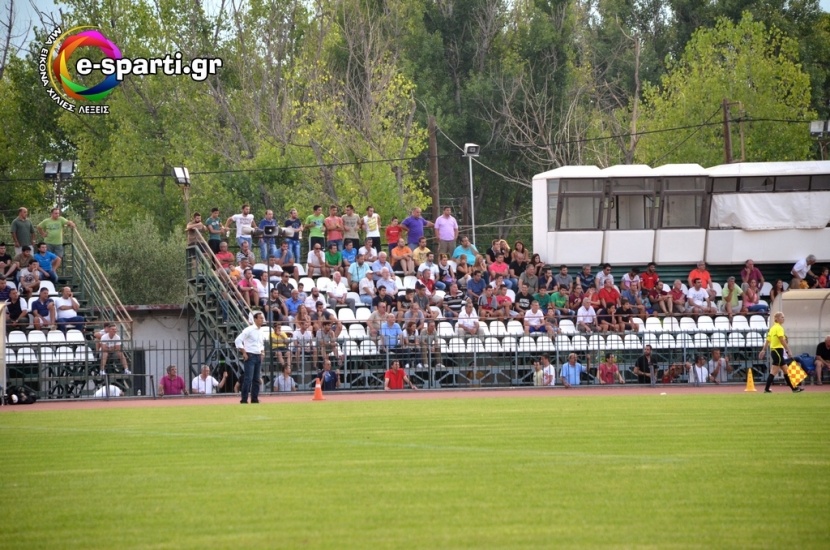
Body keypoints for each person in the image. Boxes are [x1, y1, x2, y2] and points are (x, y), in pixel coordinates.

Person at [759, 311, 802, 393]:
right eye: (782, 317)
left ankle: (794, 388)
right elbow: (782, 340)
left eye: (783, 317)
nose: (783, 319)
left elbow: (768, 340)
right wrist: (788, 350)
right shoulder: (779, 328)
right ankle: (766, 389)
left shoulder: (772, 328)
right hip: (777, 351)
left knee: (786, 371)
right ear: (777, 318)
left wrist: (764, 349)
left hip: (775, 351)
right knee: (774, 371)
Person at [235, 312, 266, 403]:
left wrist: (262, 352)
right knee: (248, 378)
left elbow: (261, 344)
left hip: (257, 355)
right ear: (255, 319)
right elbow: (238, 340)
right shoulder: (249, 330)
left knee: (256, 379)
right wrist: (244, 352)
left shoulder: (261, 331)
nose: (262, 320)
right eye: (260, 318)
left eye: (262, 318)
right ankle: (244, 399)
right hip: (250, 355)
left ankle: (254, 398)